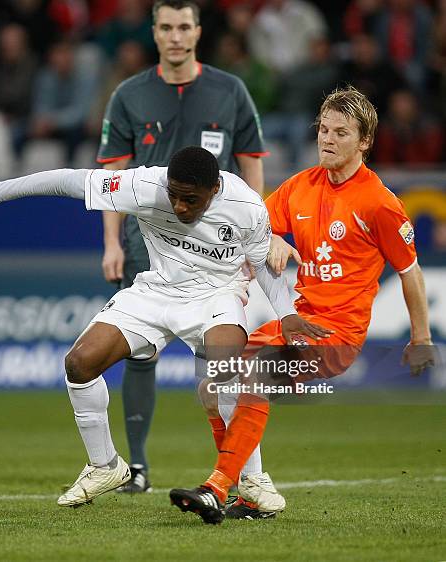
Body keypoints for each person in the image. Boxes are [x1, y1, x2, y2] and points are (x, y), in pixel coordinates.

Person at [0, 145, 331, 512]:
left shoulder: (246, 205)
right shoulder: (144, 185)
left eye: (191, 200)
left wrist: (286, 314)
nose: (179, 206)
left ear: (214, 190)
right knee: (79, 364)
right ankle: (105, 465)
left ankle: (252, 478)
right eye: (174, 196)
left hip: (216, 294)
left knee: (226, 365)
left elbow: (263, 261)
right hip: (154, 291)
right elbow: (68, 179)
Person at [171, 86, 436, 524]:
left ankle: (217, 487)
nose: (327, 140)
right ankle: (254, 494)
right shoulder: (300, 187)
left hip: (337, 337)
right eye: (324, 130)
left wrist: (421, 338)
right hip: (297, 325)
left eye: (341, 133)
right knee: (212, 388)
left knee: (251, 376)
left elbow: (410, 271)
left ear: (364, 141)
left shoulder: (380, 203)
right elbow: (252, 230)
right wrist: (273, 236)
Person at [98, 0, 268, 495]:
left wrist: (259, 237)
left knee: (217, 363)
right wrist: (110, 240)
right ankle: (137, 466)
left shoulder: (230, 90)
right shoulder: (129, 94)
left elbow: (251, 163)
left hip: (219, 250)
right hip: (145, 242)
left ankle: (233, 473)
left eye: (184, 26)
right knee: (137, 353)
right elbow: (112, 176)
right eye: (166, 27)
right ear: (154, 32)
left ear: (197, 31)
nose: (176, 36)